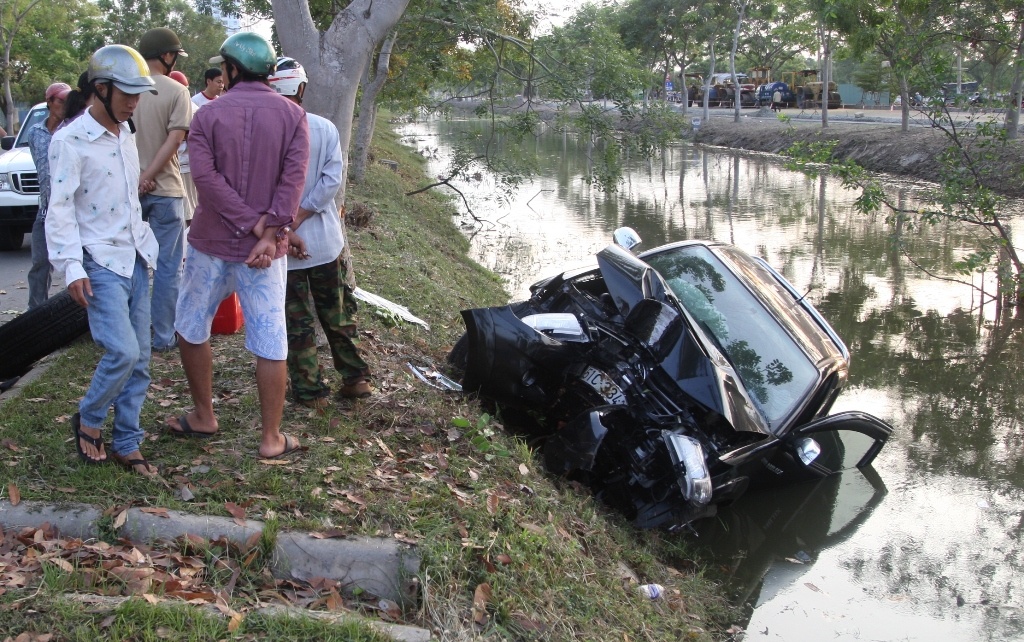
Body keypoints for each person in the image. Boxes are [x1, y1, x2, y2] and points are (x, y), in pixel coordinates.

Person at [167, 33, 310, 460]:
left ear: (229, 69)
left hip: (211, 241)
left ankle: (203, 416)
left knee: (191, 326)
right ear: (268, 71)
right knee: (270, 338)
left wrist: (250, 225)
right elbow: (293, 180)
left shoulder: (207, 115)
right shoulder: (293, 115)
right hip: (265, 254)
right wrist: (267, 234)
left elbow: (207, 181)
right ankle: (271, 439)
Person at [45, 45, 161, 477]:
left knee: (142, 359)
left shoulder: (124, 132)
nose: (134, 102)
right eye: (127, 92)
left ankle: (128, 441)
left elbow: (128, 197)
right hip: (98, 262)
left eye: (138, 93)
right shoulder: (69, 141)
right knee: (123, 351)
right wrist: (70, 267)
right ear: (102, 88)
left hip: (134, 255)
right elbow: (58, 209)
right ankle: (90, 418)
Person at [268, 57, 372, 412]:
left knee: (296, 321)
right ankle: (355, 378)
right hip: (325, 243)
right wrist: (301, 216)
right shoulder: (324, 128)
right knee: (337, 313)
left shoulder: (263, 133)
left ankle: (311, 391)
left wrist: (286, 224)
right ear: (301, 89)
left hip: (281, 244)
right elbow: (332, 181)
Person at [134, 27, 193, 352]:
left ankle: (136, 334)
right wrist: (151, 174)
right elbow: (175, 140)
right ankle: (163, 336)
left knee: (132, 265)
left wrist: (139, 177)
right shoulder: (176, 91)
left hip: (129, 190)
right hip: (166, 188)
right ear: (167, 56)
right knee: (169, 268)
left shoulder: (125, 88)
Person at [26, 82, 70, 309]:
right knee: (40, 264)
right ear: (50, 102)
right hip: (45, 209)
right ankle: (35, 312)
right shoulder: (35, 133)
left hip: (70, 209)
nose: (64, 106)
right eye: (60, 101)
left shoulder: (71, 129)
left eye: (67, 101)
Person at [168, 70, 196, 224]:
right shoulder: (173, 103)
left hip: (185, 165)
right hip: (178, 165)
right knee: (187, 209)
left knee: (188, 210)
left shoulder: (191, 107)